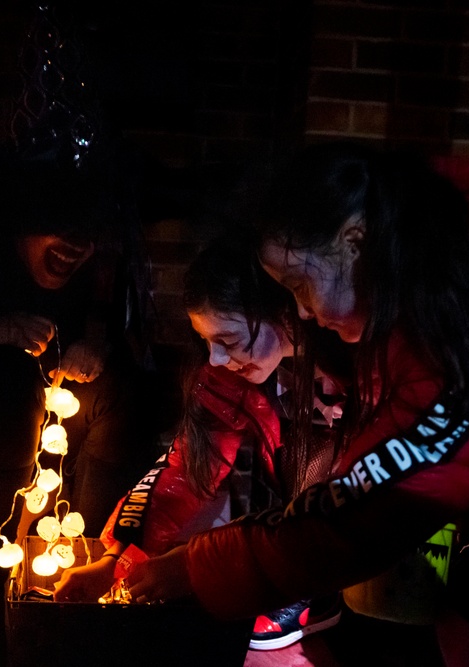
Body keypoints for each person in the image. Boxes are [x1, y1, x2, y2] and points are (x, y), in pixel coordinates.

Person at [122, 142, 469, 666]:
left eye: (298, 285)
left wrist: (196, 568)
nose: (302, 313)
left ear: (354, 241)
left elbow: (364, 510)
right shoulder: (419, 287)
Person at [53, 233, 351, 650]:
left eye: (226, 340)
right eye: (206, 342)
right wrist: (114, 561)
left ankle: (310, 593)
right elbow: (185, 470)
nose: (214, 358)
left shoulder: (355, 372)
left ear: (282, 312)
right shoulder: (228, 378)